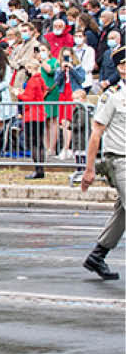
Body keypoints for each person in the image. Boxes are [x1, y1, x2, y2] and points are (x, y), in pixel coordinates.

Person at [79, 46, 124, 280]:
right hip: (119, 160)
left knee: (122, 213)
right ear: (120, 68)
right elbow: (96, 133)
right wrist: (89, 169)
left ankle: (98, 256)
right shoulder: (112, 96)